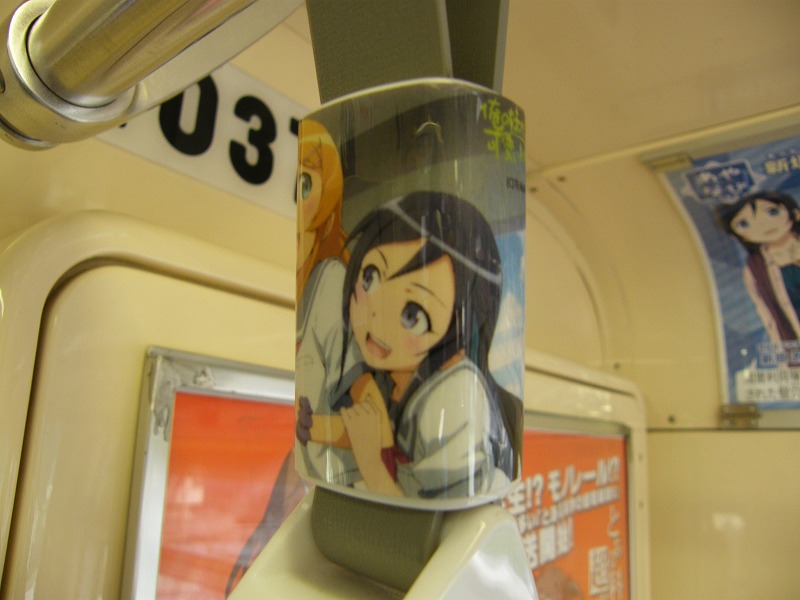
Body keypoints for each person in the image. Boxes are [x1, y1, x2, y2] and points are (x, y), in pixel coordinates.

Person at [298, 191, 521, 500]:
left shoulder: (453, 394)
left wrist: (370, 463)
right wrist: (310, 427)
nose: (375, 315)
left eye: (412, 314)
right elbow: (368, 431)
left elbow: (442, 504)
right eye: (370, 278)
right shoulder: (393, 378)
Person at [716, 190, 800, 344]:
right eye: (744, 223)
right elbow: (768, 315)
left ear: (795, 214)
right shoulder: (755, 269)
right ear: (736, 235)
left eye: (772, 212)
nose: (762, 224)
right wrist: (782, 350)